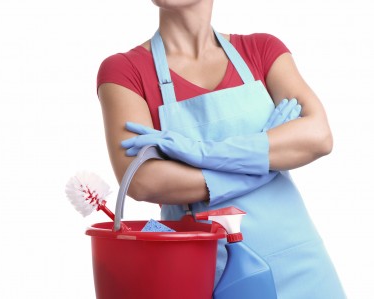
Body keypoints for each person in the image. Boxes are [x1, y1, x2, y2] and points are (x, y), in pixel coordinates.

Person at [96, 0, 346, 298]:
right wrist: (262, 164)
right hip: (205, 272)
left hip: (300, 261)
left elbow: (318, 137)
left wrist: (197, 152)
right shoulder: (125, 71)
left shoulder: (262, 50)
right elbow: (143, 181)